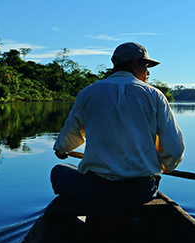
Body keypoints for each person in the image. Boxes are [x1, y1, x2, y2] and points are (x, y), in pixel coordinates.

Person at [51, 42, 185, 206]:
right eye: (146, 65)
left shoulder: (88, 93)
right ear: (134, 64)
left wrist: (62, 150)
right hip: (142, 191)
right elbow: (174, 150)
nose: (148, 72)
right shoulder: (154, 96)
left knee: (58, 171)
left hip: (99, 191)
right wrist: (167, 165)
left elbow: (69, 138)